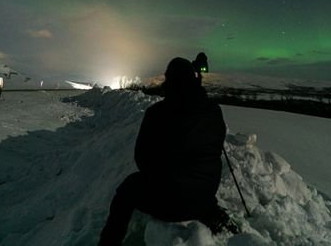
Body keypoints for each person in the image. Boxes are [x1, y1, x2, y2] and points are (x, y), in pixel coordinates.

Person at [98, 57, 232, 245]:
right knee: (197, 178)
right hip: (204, 197)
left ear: (169, 80)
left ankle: (109, 243)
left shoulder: (157, 113)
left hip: (170, 204)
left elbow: (142, 160)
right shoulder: (214, 111)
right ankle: (211, 212)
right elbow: (214, 150)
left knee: (127, 189)